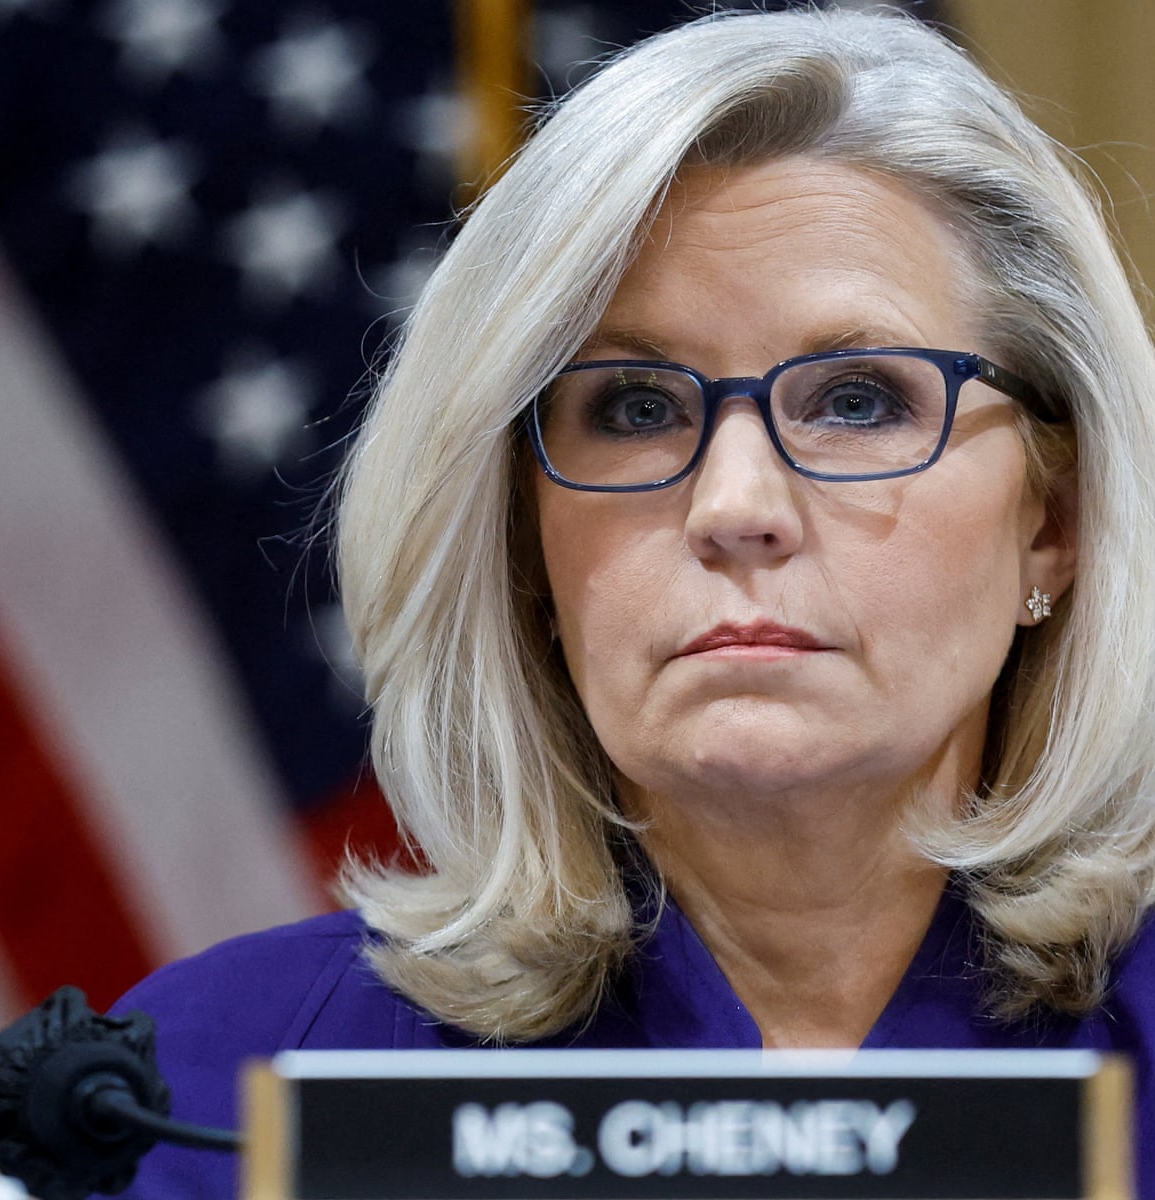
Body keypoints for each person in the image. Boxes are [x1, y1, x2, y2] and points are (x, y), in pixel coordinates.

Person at [101, 7, 1155, 1197]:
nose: (735, 504)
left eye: (858, 401)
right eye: (637, 408)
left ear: (1055, 525)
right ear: (525, 544)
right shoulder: (214, 1090)